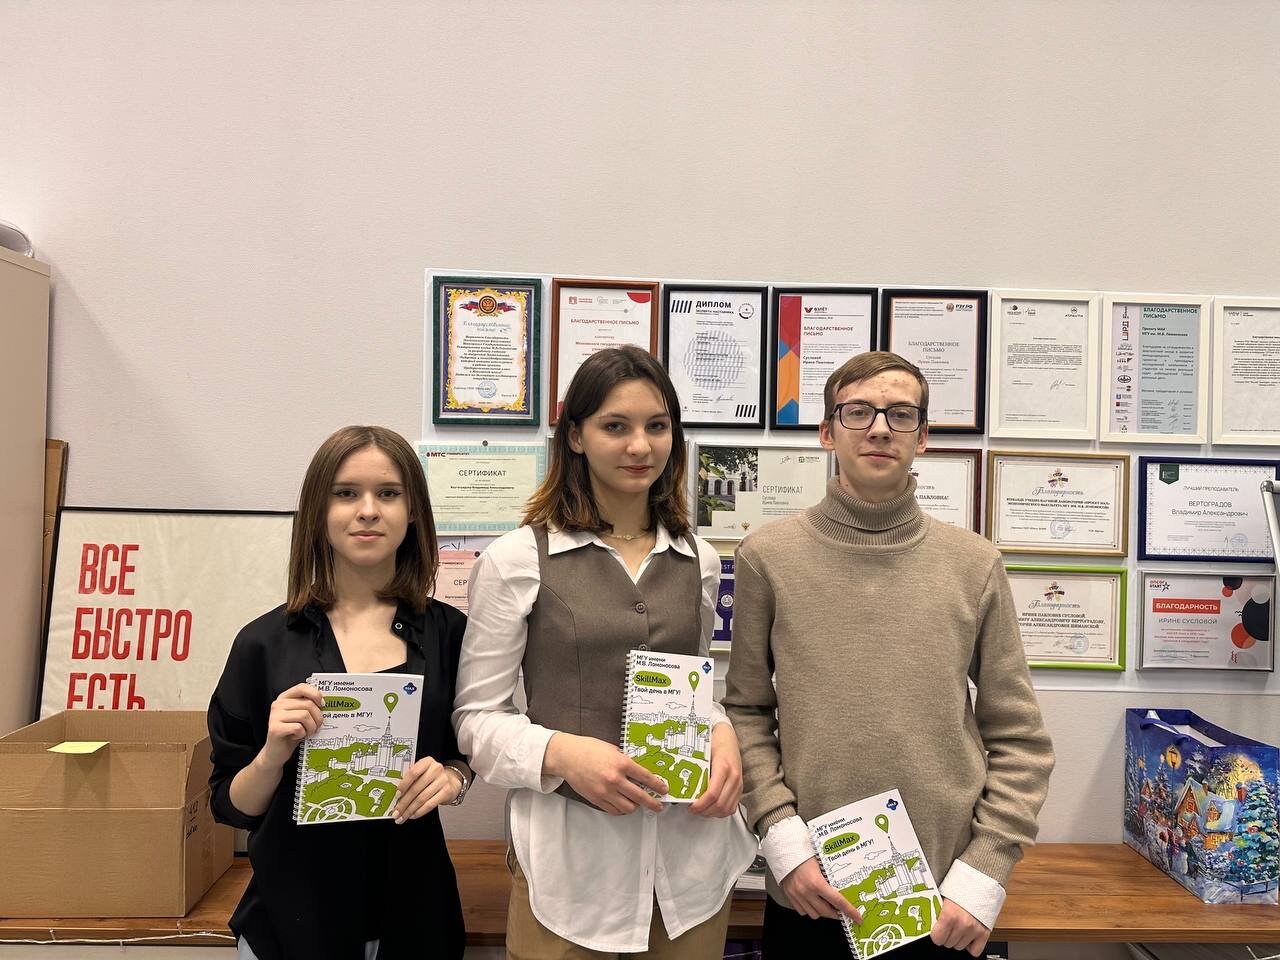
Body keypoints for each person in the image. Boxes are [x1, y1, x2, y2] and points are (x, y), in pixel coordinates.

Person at [724, 351, 1055, 959]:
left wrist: (984, 869)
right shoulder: (767, 557)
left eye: (900, 414)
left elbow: (1021, 740)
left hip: (944, 899)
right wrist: (781, 839)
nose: (879, 428)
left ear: (922, 438)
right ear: (827, 432)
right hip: (810, 887)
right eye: (858, 412)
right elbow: (746, 711)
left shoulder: (974, 564)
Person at [454, 345, 757, 958]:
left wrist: (722, 734)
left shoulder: (699, 560)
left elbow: (695, 690)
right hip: (571, 872)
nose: (640, 446)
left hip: (690, 867)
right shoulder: (516, 559)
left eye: (657, 426)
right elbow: (475, 720)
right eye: (615, 426)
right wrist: (563, 754)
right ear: (575, 436)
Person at [208, 425, 470, 960]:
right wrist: (272, 755)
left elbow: (466, 751)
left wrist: (454, 778)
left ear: (413, 512)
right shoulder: (262, 644)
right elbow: (230, 806)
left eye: (388, 493)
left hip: (415, 916)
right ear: (318, 511)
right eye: (346, 493)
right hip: (291, 924)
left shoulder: (450, 634)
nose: (368, 511)